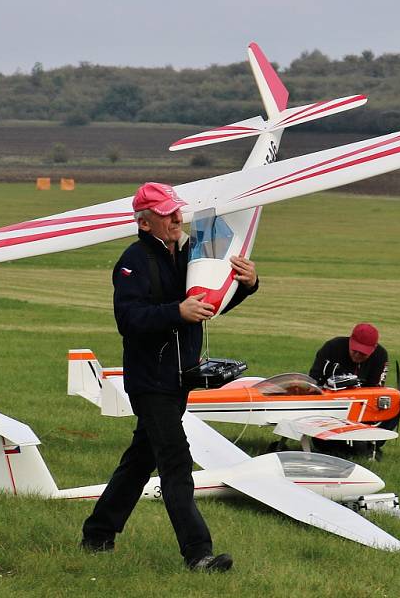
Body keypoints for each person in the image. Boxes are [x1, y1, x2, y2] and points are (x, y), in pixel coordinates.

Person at [81, 182, 258, 572]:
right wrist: (176, 312)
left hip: (180, 378)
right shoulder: (133, 261)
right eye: (167, 213)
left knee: (140, 460)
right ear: (145, 223)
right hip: (150, 382)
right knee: (176, 463)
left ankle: (97, 532)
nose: (177, 218)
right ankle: (198, 554)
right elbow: (129, 320)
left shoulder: (193, 251)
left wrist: (246, 285)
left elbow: (209, 304)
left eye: (177, 210)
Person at [309, 323, 396, 459]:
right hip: (330, 405)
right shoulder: (332, 347)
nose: (357, 355)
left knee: (393, 403)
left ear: (373, 349)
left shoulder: (380, 355)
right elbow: (314, 380)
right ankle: (334, 443)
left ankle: (371, 443)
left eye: (363, 353)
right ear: (350, 341)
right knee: (325, 445)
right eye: (355, 350)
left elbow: (375, 389)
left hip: (362, 405)